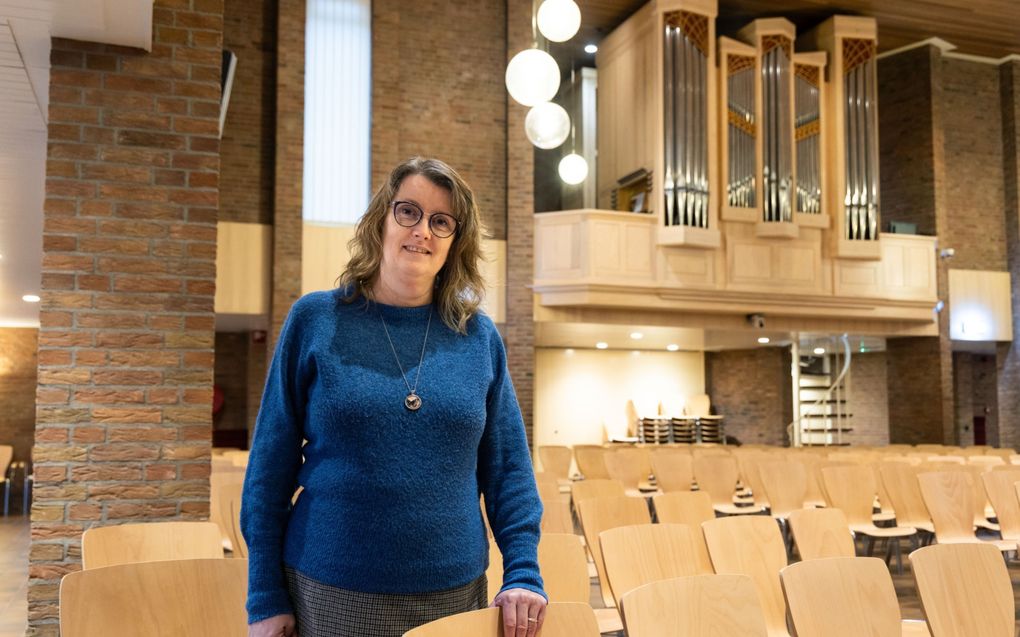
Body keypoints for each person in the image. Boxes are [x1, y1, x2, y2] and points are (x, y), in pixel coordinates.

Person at [241, 157, 547, 637]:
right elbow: (269, 466)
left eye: (441, 221)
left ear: (455, 242)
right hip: (330, 589)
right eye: (409, 212)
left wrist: (523, 571)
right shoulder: (316, 320)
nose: (422, 230)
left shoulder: (479, 338)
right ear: (382, 220)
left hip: (456, 593)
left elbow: (509, 470)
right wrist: (263, 597)